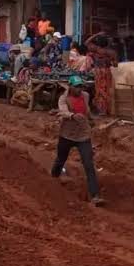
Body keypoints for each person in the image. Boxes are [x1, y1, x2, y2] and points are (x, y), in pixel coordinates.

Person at [51, 75, 103, 206]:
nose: (79, 89)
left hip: (83, 135)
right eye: (76, 86)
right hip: (67, 134)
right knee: (60, 160)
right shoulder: (63, 98)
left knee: (88, 164)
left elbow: (87, 110)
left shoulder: (85, 95)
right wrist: (72, 115)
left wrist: (91, 120)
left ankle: (95, 195)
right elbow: (62, 111)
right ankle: (52, 180)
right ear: (70, 86)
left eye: (81, 86)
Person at [86, 32, 117, 115]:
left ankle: (101, 110)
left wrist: (96, 34)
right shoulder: (112, 52)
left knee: (99, 91)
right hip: (107, 72)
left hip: (98, 72)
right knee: (107, 90)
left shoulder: (96, 49)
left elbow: (87, 43)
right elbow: (115, 65)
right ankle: (107, 110)